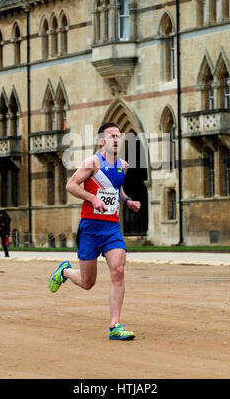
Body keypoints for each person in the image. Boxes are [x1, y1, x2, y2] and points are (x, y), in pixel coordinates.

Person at [49, 122, 141, 340]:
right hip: (90, 227)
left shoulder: (123, 166)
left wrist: (127, 201)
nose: (116, 140)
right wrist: (92, 198)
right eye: (112, 136)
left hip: (111, 227)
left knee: (118, 271)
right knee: (88, 283)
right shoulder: (92, 163)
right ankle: (65, 272)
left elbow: (116, 188)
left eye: (119, 136)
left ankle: (114, 326)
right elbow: (71, 185)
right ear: (102, 141)